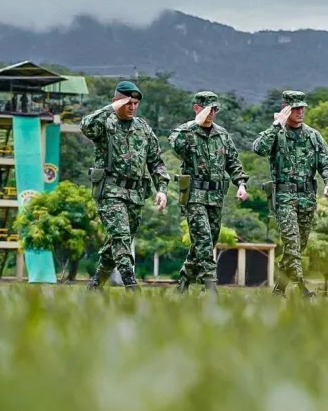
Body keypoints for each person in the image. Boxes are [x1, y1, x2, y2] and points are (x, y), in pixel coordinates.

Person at [82, 81, 170, 291]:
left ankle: (95, 286)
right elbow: (86, 126)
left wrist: (162, 189)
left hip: (136, 194)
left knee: (117, 242)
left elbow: (156, 162)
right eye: (128, 102)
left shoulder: (143, 128)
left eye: (135, 103)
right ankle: (131, 285)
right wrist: (110, 108)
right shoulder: (105, 124)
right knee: (121, 237)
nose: (132, 107)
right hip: (110, 191)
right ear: (116, 101)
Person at [253, 90, 328, 298]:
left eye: (302, 108)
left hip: (307, 198)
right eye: (295, 108)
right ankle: (302, 288)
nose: (300, 112)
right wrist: (275, 125)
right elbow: (259, 148)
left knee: (298, 246)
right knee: (291, 242)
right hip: (284, 197)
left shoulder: (313, 135)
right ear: (285, 109)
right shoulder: (276, 133)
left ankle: (279, 290)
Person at [169, 91, 249, 296]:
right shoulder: (185, 131)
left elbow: (233, 162)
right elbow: (176, 147)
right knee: (203, 239)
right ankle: (211, 288)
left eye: (215, 109)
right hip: (194, 196)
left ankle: (184, 282)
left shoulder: (222, 134)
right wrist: (194, 124)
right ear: (197, 108)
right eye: (208, 108)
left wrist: (241, 184)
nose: (212, 113)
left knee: (206, 242)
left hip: (215, 197)